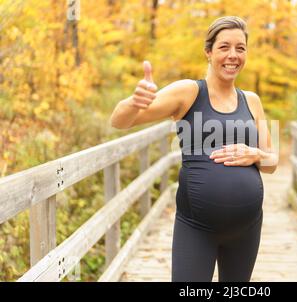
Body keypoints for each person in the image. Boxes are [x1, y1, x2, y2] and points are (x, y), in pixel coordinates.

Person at [110, 16, 278, 282]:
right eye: (224, 47)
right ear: (208, 52)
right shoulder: (188, 92)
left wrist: (256, 154)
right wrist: (133, 102)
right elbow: (119, 121)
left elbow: (272, 163)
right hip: (197, 228)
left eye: (240, 48)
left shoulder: (253, 101)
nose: (233, 55)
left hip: (247, 229)